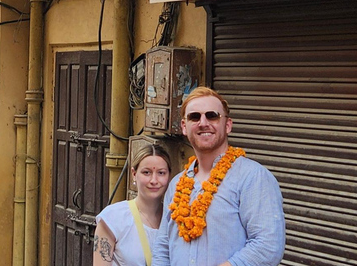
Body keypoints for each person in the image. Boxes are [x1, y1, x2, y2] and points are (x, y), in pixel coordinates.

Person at [151, 87, 285, 266]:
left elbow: (268, 247)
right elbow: (163, 247)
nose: (203, 122)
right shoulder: (177, 184)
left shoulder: (253, 177)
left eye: (212, 115)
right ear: (184, 126)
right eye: (194, 117)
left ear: (228, 125)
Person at [93, 144, 172, 266]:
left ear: (169, 176)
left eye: (161, 173)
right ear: (134, 174)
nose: (154, 180)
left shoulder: (174, 219)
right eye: (146, 172)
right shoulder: (113, 218)